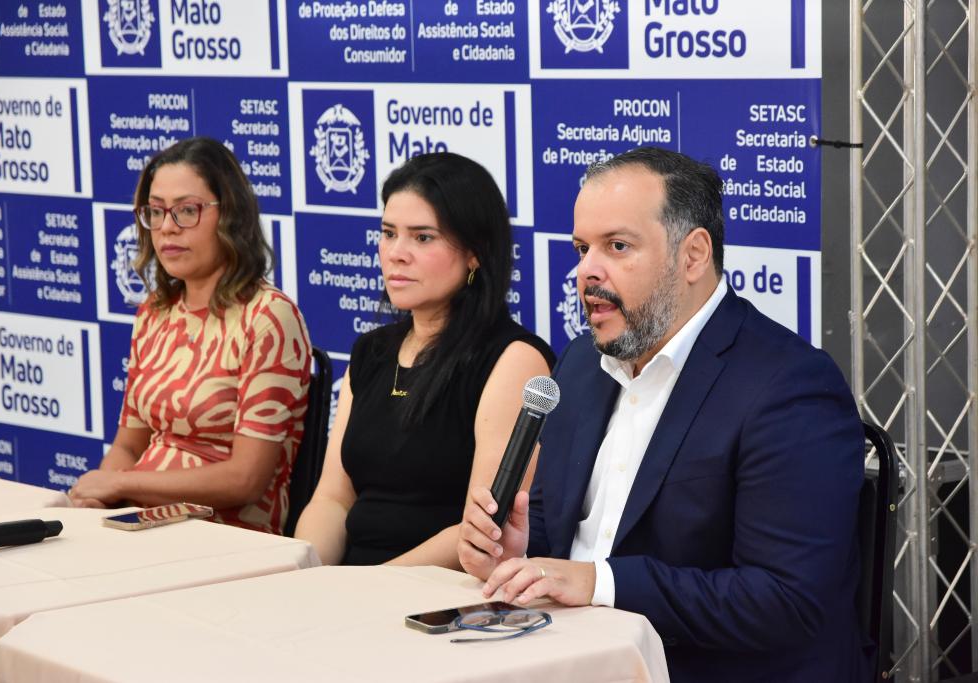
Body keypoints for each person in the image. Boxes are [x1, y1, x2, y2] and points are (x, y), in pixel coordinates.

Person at [458, 147, 867, 682]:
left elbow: (785, 599)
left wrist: (602, 583)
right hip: (564, 656)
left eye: (617, 246)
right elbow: (557, 543)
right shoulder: (581, 364)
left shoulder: (789, 386)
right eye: (582, 248)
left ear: (693, 255)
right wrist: (515, 556)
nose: (586, 271)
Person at [296, 152, 555, 567]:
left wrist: (362, 588)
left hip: (442, 592)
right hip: (348, 585)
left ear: (475, 252)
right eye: (388, 233)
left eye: (422, 237)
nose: (396, 253)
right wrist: (307, 572)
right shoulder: (371, 351)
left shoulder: (514, 359)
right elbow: (332, 499)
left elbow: (481, 530)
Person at [69, 137, 311, 536]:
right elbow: (128, 446)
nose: (167, 227)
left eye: (186, 211)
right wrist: (99, 501)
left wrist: (121, 485)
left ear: (230, 215)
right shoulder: (155, 311)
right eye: (156, 211)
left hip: (225, 533)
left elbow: (245, 478)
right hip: (142, 520)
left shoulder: (268, 317)